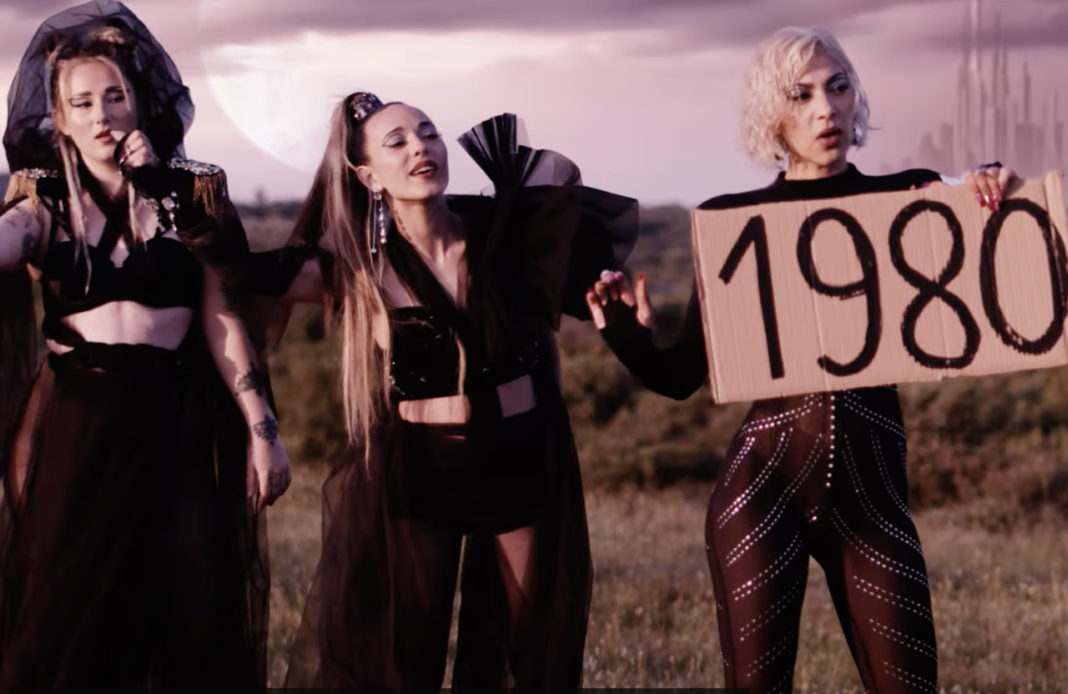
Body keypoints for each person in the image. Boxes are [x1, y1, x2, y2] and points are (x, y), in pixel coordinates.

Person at [586, 26, 1013, 694]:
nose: (826, 109)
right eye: (802, 94)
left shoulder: (910, 197)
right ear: (772, 113)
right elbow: (679, 377)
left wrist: (989, 181)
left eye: (838, 87)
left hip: (873, 502)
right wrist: (621, 329)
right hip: (762, 491)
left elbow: (995, 249)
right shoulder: (734, 223)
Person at [247, 92, 637, 687]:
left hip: (520, 454)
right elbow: (236, 273)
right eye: (397, 142)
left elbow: (562, 319)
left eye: (428, 132)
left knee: (530, 652)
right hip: (419, 468)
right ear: (367, 175)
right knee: (404, 660)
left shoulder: (502, 236)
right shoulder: (357, 268)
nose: (420, 148)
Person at [0, 1, 291, 687]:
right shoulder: (44, 203)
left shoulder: (194, 195)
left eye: (114, 96)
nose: (102, 115)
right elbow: (9, 239)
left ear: (138, 100)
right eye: (82, 104)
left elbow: (223, 320)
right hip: (81, 426)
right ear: (59, 120)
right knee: (71, 615)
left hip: (176, 420)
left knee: (189, 610)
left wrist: (263, 430)